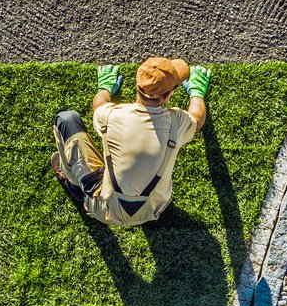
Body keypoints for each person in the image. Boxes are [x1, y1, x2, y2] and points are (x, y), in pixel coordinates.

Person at [52, 57, 211, 227]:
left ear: (137, 86)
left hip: (105, 209)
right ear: (167, 95)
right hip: (153, 208)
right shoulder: (177, 122)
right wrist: (196, 92)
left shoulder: (110, 115)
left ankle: (76, 187)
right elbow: (198, 117)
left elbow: (99, 104)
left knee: (67, 119)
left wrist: (105, 87)